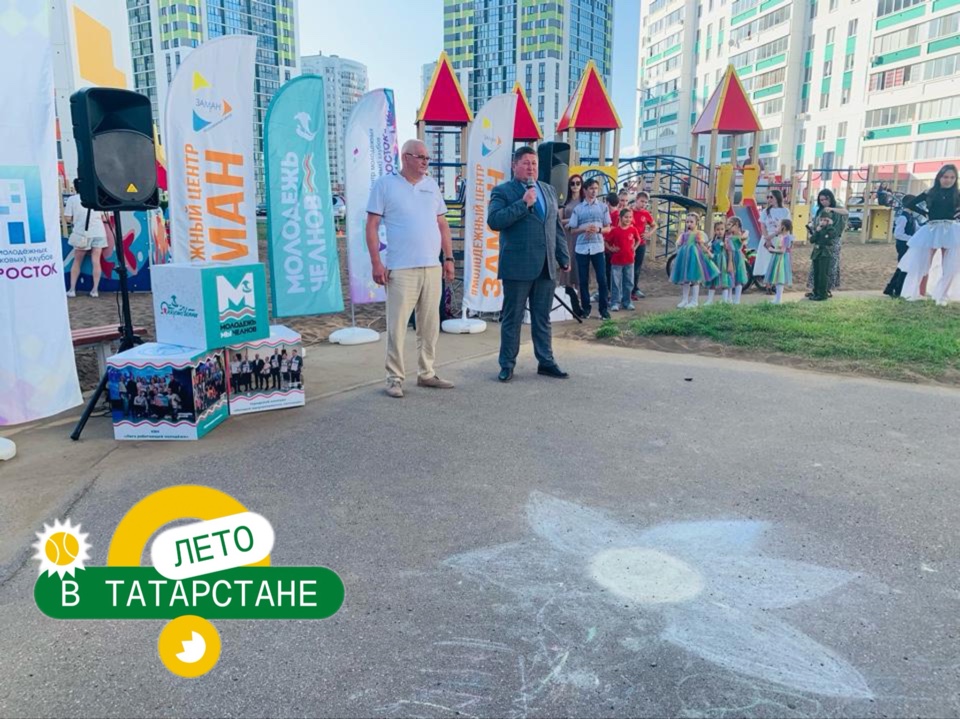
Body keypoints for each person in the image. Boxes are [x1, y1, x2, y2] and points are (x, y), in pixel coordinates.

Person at [366, 139, 456, 398]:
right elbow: (371, 225)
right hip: (401, 268)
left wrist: (449, 258)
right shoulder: (385, 185)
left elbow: (442, 225)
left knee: (430, 325)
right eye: (421, 157)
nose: (426, 162)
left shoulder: (431, 186)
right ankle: (394, 378)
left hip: (432, 267)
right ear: (406, 157)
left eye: (427, 158)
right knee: (397, 326)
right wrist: (376, 262)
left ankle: (426, 373)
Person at [487, 145, 571, 382]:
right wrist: (523, 204)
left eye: (534, 163)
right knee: (512, 318)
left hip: (546, 265)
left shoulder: (548, 190)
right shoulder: (503, 191)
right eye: (525, 163)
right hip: (518, 266)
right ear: (514, 165)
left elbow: (555, 227)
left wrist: (563, 256)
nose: (531, 167)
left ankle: (546, 361)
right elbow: (495, 221)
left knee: (542, 318)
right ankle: (507, 364)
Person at [898, 165, 960, 305]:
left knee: (949, 265)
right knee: (924, 262)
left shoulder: (957, 194)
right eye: (945, 177)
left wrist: (956, 215)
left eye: (952, 177)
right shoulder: (930, 192)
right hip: (932, 229)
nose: (948, 180)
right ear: (939, 177)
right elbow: (910, 203)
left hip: (950, 229)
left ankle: (942, 295)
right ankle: (919, 292)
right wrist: (925, 213)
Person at [567, 177, 611, 319]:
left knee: (602, 279)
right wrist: (584, 229)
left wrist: (598, 230)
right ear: (585, 190)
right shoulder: (578, 209)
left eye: (596, 188)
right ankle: (586, 308)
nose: (594, 191)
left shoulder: (603, 207)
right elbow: (572, 230)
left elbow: (608, 228)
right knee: (583, 280)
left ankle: (603, 309)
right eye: (591, 188)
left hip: (598, 247)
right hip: (582, 248)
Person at [64, 179, 107, 298]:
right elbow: (104, 217)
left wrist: (77, 219)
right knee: (96, 261)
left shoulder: (72, 199)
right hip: (99, 232)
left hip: (82, 234)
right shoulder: (96, 198)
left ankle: (72, 289)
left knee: (77, 261)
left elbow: (67, 218)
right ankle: (95, 290)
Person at [805, 190, 848, 297]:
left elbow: (846, 212)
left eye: (825, 199)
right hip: (820, 241)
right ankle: (816, 289)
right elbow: (816, 223)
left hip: (832, 241)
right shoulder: (820, 210)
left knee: (830, 265)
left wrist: (832, 209)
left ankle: (826, 289)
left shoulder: (836, 208)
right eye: (821, 200)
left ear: (830, 198)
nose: (823, 202)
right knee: (816, 266)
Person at [671, 212, 718, 308]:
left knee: (694, 278)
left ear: (697, 223)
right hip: (684, 257)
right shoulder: (683, 235)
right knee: (685, 279)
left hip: (694, 257)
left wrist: (708, 253)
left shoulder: (698, 234)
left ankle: (694, 301)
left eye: (691, 222)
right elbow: (679, 245)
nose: (689, 224)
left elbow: (702, 245)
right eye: (687, 222)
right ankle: (684, 300)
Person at [605, 208, 641, 311]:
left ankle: (627, 302)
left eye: (630, 217)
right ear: (620, 218)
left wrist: (634, 248)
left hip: (629, 261)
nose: (628, 219)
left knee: (629, 282)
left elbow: (638, 240)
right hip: (616, 262)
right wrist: (610, 248)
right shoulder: (615, 230)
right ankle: (615, 302)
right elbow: (606, 241)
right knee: (616, 283)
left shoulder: (633, 230)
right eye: (626, 217)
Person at [883, 194, 918, 299]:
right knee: (903, 267)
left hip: (908, 245)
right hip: (903, 245)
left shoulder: (911, 217)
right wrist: (912, 238)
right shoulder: (903, 217)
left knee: (904, 267)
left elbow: (917, 228)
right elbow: (898, 234)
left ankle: (892, 288)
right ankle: (897, 289)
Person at [559, 173, 585, 315]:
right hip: (567, 236)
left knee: (579, 267)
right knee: (567, 264)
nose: (575, 186)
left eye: (578, 183)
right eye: (572, 183)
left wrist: (574, 221)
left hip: (580, 237)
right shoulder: (565, 201)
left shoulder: (584, 202)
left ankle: (580, 301)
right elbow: (558, 220)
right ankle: (567, 298)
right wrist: (572, 220)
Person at [756, 190, 790, 292]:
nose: (769, 199)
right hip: (767, 238)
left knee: (777, 261)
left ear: (777, 198)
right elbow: (762, 226)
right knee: (767, 261)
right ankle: (768, 285)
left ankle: (776, 284)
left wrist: (776, 235)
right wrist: (767, 238)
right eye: (768, 197)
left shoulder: (785, 211)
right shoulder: (765, 211)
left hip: (779, 237)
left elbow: (786, 226)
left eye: (771, 197)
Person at [809, 211, 840, 301]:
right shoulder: (819, 229)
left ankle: (822, 294)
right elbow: (812, 240)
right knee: (816, 273)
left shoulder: (831, 229)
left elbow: (829, 237)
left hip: (825, 253)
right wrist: (817, 231)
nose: (822, 222)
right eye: (821, 220)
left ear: (829, 221)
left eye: (825, 220)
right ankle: (816, 292)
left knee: (823, 274)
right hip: (816, 252)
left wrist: (829, 226)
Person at [630, 193, 656, 300]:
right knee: (627, 267)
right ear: (636, 200)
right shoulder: (629, 211)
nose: (643, 204)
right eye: (641, 201)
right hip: (629, 243)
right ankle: (626, 289)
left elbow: (654, 225)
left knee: (637, 267)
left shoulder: (645, 213)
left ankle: (634, 288)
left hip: (641, 244)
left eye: (645, 202)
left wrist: (648, 234)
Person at [765, 219, 794, 304]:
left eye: (778, 226)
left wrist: (772, 250)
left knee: (780, 278)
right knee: (778, 279)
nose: (776, 228)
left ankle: (778, 299)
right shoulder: (781, 237)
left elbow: (782, 251)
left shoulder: (786, 238)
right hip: (778, 258)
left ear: (783, 227)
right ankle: (777, 298)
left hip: (781, 259)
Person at [705, 221, 732, 305]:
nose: (720, 231)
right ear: (714, 231)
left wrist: (730, 263)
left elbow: (729, 252)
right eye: (718, 229)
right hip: (714, 262)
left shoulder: (726, 241)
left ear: (725, 230)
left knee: (724, 281)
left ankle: (725, 300)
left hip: (723, 263)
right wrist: (709, 251)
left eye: (722, 229)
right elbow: (710, 250)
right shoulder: (713, 241)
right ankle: (710, 300)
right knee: (713, 281)